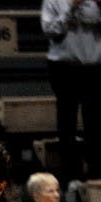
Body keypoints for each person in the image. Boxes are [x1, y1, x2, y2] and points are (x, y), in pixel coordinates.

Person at [41, 0, 101, 182]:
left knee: (95, 121)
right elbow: (50, 30)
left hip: (94, 67)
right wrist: (71, 8)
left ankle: (95, 172)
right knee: (67, 120)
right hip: (64, 67)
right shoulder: (53, 1)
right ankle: (70, 174)